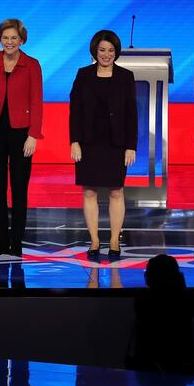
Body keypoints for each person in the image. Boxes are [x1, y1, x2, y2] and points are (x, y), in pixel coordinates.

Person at [0, 19, 43, 257]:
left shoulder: (32, 64)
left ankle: (17, 242)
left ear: (21, 40)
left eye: (14, 38)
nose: (10, 42)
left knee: (19, 188)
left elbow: (36, 101)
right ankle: (1, 241)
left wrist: (33, 135)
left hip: (21, 132)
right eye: (5, 38)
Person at [69, 30, 137, 260]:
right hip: (89, 142)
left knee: (116, 191)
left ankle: (114, 239)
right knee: (89, 191)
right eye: (102, 50)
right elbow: (75, 111)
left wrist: (131, 146)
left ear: (116, 52)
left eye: (110, 50)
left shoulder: (126, 76)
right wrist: (74, 141)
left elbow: (131, 115)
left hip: (116, 142)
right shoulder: (83, 74)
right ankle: (95, 239)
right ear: (94, 51)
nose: (106, 55)